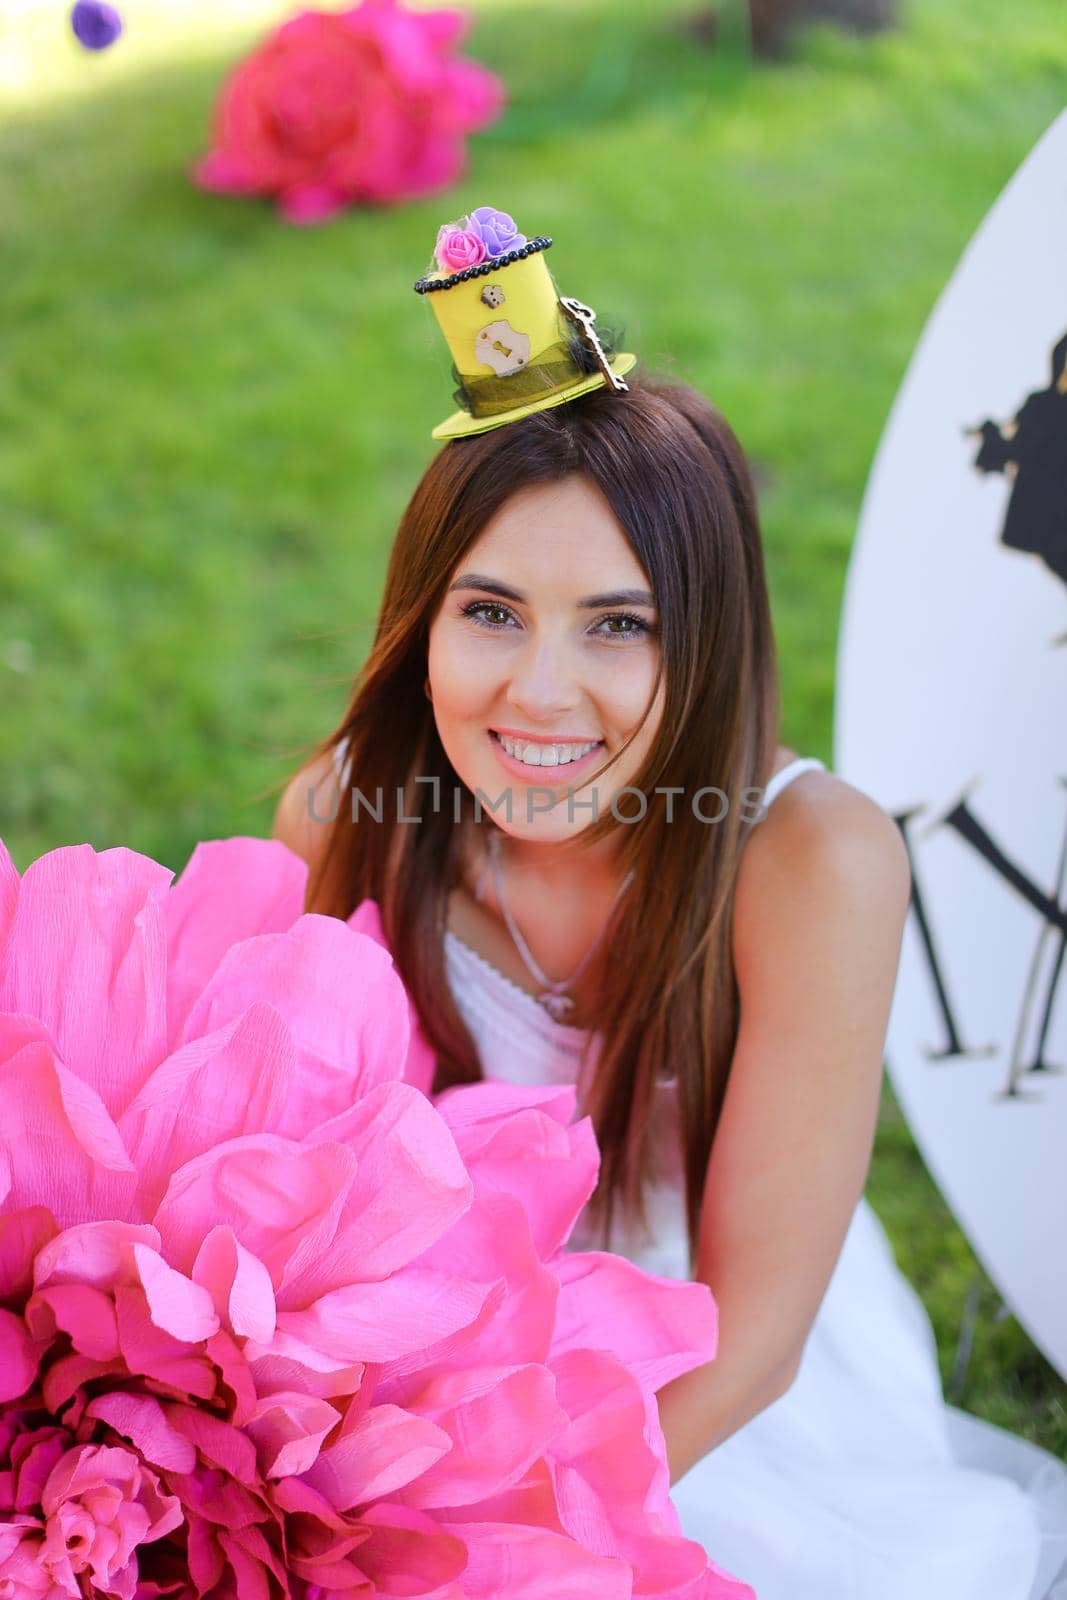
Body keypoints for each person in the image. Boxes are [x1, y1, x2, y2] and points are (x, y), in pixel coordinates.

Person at [272, 207, 1067, 1599]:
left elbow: (754, 1334)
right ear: (421, 618)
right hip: (431, 1349)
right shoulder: (348, 819)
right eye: (492, 611)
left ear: (704, 638)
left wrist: (500, 1536)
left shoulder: (810, 860)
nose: (540, 692)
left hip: (703, 1377)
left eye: (618, 625)